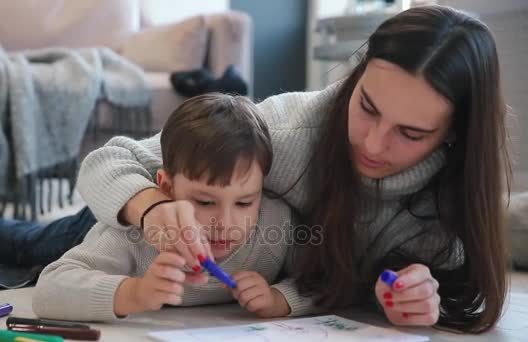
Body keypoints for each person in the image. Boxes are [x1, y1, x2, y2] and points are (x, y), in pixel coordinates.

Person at [74, 6, 510, 333]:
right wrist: (151, 210)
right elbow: (108, 161)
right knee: (35, 247)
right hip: (122, 226)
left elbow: (345, 282)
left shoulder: (444, 208)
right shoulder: (287, 128)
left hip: (250, 266)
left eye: (411, 134)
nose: (373, 144)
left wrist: (407, 298)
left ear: (454, 135)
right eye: (367, 107)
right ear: (356, 79)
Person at [32, 94, 304, 321]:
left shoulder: (276, 223)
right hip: (82, 224)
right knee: (25, 244)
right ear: (166, 187)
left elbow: (330, 278)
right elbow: (49, 290)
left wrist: (279, 299)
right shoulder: (133, 235)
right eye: (205, 202)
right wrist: (134, 293)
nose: (225, 223)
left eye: (245, 202)